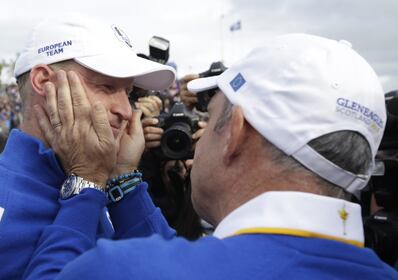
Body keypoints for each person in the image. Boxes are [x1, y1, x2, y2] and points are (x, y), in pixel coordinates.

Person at [25, 34, 398, 279]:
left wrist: (87, 177)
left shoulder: (124, 270)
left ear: (236, 130)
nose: (197, 141)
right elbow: (184, 255)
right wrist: (123, 177)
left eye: (211, 114)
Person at [0, 15, 176, 279]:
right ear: (43, 82)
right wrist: (88, 181)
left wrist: (124, 178)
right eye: (106, 86)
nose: (125, 110)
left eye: (129, 93)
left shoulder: (114, 194)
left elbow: (171, 271)